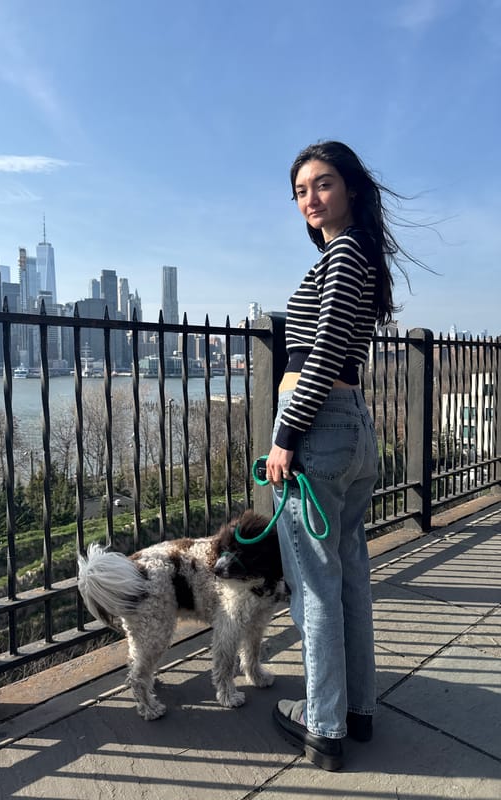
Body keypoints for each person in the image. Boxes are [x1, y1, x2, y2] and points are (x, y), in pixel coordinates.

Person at [266, 141, 404, 771]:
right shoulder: (355, 255)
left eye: (322, 184)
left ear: (349, 187)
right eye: (301, 191)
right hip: (350, 431)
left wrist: (284, 436)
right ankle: (357, 710)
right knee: (348, 577)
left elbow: (319, 356)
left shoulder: (344, 254)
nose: (310, 200)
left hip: (317, 430)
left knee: (314, 586)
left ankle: (322, 726)